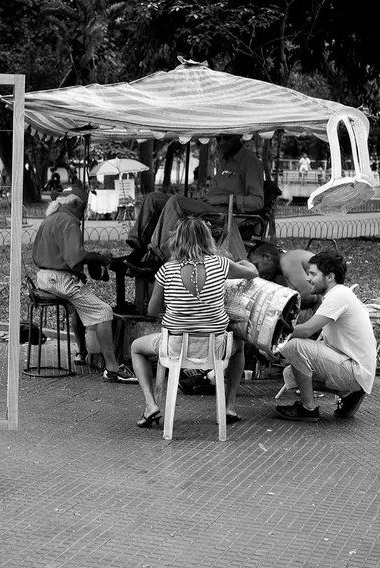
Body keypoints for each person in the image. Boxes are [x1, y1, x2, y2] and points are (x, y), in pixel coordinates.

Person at [129, 217, 259, 428]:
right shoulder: (221, 264)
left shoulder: (166, 270)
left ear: (177, 240)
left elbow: (152, 311)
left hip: (175, 347)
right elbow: (253, 273)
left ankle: (150, 405)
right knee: (239, 347)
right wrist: (242, 261)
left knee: (136, 348)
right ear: (207, 239)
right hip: (215, 348)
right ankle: (229, 406)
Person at [31, 185, 137, 384]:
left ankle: (82, 352)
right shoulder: (69, 220)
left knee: (78, 308)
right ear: (75, 204)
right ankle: (112, 368)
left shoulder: (50, 218)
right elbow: (76, 257)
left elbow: (62, 256)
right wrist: (99, 258)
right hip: (59, 280)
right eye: (83, 208)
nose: (84, 213)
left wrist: (83, 268)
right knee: (103, 311)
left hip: (44, 278)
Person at [123, 135, 264, 267]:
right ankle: (138, 249)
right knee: (153, 198)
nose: (221, 142)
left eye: (226, 138)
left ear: (238, 136)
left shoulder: (251, 162)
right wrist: (203, 199)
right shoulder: (223, 160)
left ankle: (157, 255)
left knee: (177, 201)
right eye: (218, 138)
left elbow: (257, 202)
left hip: (225, 214)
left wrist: (223, 199)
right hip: (207, 206)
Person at [274, 251, 377, 422]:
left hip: (355, 370)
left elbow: (307, 330)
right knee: (291, 374)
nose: (308, 278)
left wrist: (275, 332)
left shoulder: (338, 296)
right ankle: (348, 393)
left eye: (313, 274)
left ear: (330, 277)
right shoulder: (337, 294)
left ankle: (308, 409)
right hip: (354, 367)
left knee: (294, 346)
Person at [248, 242, 321, 322]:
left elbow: (309, 297)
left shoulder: (287, 260)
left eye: (257, 265)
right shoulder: (282, 268)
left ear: (267, 257)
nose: (258, 271)